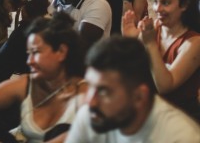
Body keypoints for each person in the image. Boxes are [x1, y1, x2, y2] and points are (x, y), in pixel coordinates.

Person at [0, 11, 87, 143]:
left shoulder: (87, 95)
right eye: (28, 54)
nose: (29, 61)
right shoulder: (26, 83)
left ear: (61, 52)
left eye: (35, 52)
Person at [65, 36, 200, 143]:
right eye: (89, 86)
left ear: (139, 97)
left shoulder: (182, 138)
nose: (90, 102)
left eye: (104, 91)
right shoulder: (93, 115)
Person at [122, 0, 200, 118]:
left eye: (165, 3)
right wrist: (131, 40)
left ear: (184, 4)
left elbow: (165, 86)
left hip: (180, 117)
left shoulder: (194, 42)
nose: (157, 9)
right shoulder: (156, 27)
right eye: (155, 2)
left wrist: (150, 44)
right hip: (151, 110)